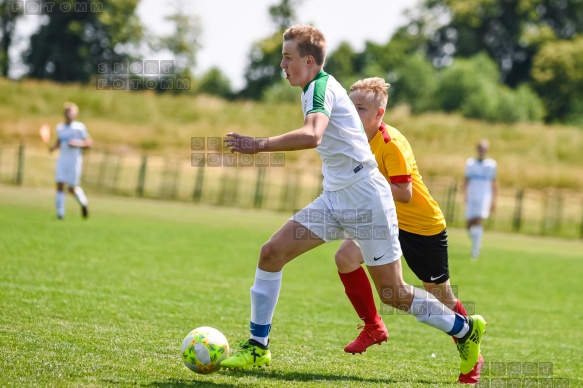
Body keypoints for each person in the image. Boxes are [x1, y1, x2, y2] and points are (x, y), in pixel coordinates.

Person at [220, 24, 486, 379]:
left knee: (393, 292)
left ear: (309, 60)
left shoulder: (319, 87)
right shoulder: (312, 88)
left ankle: (465, 329)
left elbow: (313, 135)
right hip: (334, 200)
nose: (282, 64)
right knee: (271, 253)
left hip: (367, 201)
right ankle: (257, 348)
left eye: (288, 57)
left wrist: (259, 144)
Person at [335, 77, 483, 384]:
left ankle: (470, 343)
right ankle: (373, 326)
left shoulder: (392, 144)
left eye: (360, 108)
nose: (352, 113)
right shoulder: (354, 137)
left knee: (440, 295)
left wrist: (364, 189)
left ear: (379, 113)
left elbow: (404, 193)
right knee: (345, 258)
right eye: (350, 106)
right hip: (385, 220)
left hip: (421, 227)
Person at [49, 102, 93, 220]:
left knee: (72, 189)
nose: (68, 114)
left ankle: (83, 203)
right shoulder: (60, 128)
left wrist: (77, 143)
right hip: (62, 161)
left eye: (71, 112)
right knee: (59, 185)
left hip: (74, 161)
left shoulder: (80, 127)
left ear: (75, 115)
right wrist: (53, 148)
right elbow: (59, 142)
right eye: (66, 112)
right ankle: (60, 214)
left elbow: (89, 143)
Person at [464, 140, 497, 259]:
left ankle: (475, 249)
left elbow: (494, 183)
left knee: (477, 220)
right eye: (480, 148)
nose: (482, 151)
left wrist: (494, 200)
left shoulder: (491, 164)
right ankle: (476, 241)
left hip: (484, 196)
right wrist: (465, 194)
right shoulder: (470, 163)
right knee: (469, 224)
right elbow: (466, 180)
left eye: (485, 149)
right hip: (472, 195)